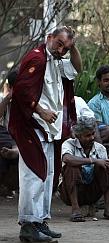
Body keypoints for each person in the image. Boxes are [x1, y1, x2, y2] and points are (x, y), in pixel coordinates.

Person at [9, 26, 81, 242]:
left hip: (50, 128)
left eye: (65, 47)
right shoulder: (37, 58)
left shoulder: (57, 60)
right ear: (49, 38)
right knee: (33, 174)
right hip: (33, 125)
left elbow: (77, 69)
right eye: (59, 44)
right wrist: (40, 110)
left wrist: (73, 46)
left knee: (48, 175)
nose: (61, 50)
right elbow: (20, 90)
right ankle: (28, 226)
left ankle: (40, 221)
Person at [58, 116, 109, 222]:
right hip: (69, 193)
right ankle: (75, 209)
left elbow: (106, 170)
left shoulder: (99, 148)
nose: (92, 137)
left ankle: (108, 210)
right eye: (87, 135)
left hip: (92, 192)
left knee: (107, 166)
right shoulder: (69, 144)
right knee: (71, 167)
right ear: (78, 136)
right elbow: (67, 158)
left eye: (93, 134)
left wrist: (99, 163)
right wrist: (93, 160)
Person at [0, 70, 19, 196]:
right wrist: (8, 98)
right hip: (6, 141)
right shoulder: (5, 102)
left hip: (23, 142)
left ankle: (15, 151)